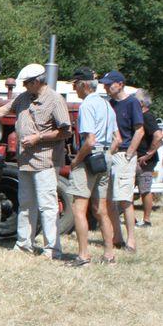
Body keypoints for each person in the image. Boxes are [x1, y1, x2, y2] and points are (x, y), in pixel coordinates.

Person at [0, 63, 70, 258]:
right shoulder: (24, 98)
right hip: (25, 159)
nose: (24, 86)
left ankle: (52, 248)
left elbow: (65, 130)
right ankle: (24, 244)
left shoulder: (55, 100)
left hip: (45, 161)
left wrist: (38, 137)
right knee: (25, 203)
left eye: (26, 83)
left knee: (47, 205)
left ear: (36, 81)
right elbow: (0, 112)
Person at [65, 67, 119, 266]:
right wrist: (105, 155)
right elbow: (117, 139)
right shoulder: (107, 106)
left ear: (84, 84)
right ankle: (109, 254)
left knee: (79, 209)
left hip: (89, 158)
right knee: (101, 209)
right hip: (105, 157)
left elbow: (89, 141)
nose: (74, 87)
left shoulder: (87, 106)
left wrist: (76, 161)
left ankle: (83, 255)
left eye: (75, 83)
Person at [101, 70, 144, 252]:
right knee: (109, 198)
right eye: (105, 84)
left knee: (125, 199)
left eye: (109, 84)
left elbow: (139, 130)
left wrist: (129, 154)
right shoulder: (109, 104)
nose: (106, 87)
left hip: (124, 153)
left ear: (120, 84)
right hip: (111, 152)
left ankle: (131, 241)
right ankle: (117, 236)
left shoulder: (132, 102)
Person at [134, 89, 162, 228]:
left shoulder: (148, 117)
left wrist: (148, 154)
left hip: (145, 161)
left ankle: (146, 220)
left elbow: (158, 136)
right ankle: (131, 218)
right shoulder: (140, 117)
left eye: (135, 99)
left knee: (144, 189)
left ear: (141, 103)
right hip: (137, 158)